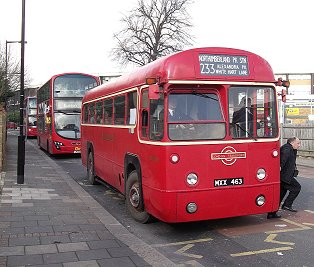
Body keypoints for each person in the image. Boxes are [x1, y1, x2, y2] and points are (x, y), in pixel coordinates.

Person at [267, 137, 301, 219]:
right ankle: (287, 205)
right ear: (292, 143)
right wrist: (279, 167)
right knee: (297, 187)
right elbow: (282, 160)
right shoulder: (287, 149)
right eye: (298, 143)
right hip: (285, 176)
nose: (299, 145)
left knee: (280, 194)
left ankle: (272, 213)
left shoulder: (290, 149)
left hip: (284, 175)